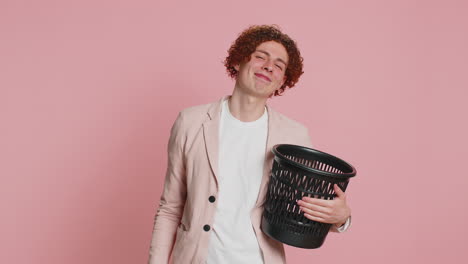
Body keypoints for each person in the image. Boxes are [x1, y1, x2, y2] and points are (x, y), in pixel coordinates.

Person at [148, 25, 352, 264]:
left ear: (282, 81)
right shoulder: (190, 122)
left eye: (278, 65)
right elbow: (170, 208)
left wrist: (341, 218)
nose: (268, 66)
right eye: (260, 57)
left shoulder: (294, 135)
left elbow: (302, 211)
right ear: (237, 62)